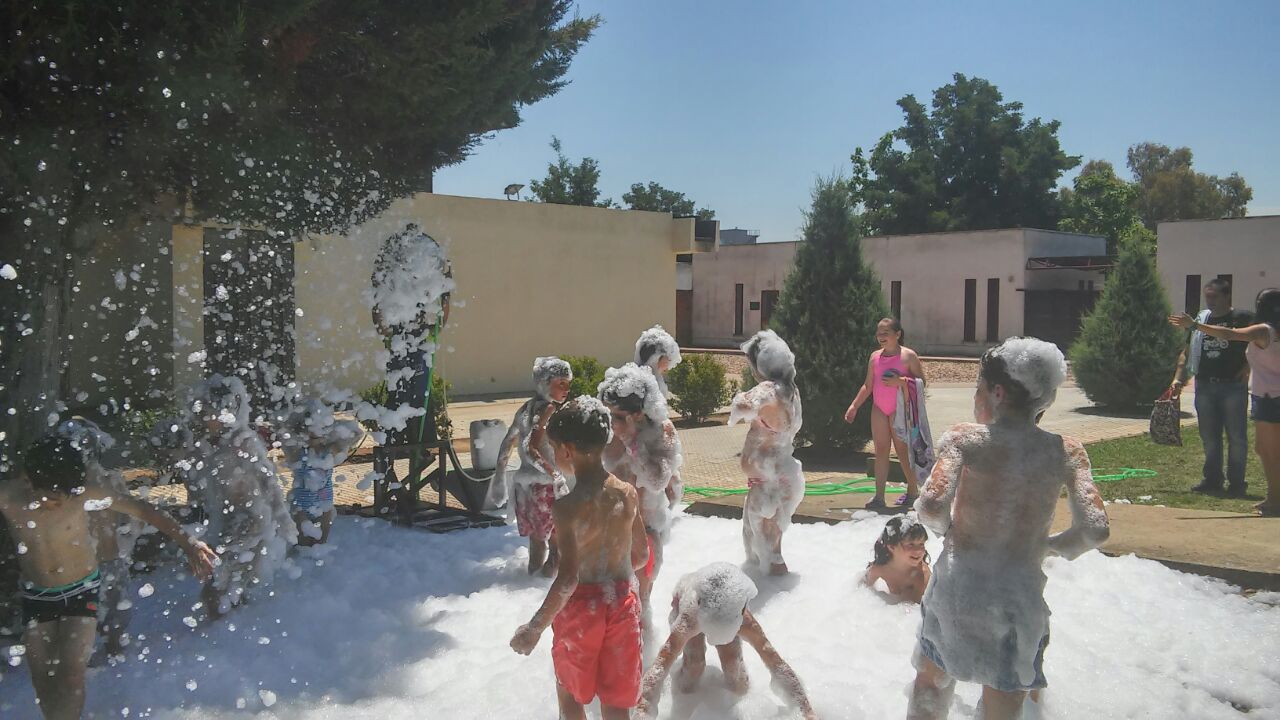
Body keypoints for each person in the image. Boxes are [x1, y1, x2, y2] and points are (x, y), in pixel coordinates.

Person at [908, 338, 1109, 720]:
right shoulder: (1066, 451)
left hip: (958, 593)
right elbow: (1095, 530)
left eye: (978, 388)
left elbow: (931, 505)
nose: (975, 398)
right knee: (1003, 706)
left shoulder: (965, 439)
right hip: (1017, 603)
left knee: (931, 687)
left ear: (997, 393)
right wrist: (1049, 546)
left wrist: (950, 531)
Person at [0, 432, 216, 720]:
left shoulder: (82, 494)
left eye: (66, 494)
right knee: (44, 679)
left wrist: (189, 543)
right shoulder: (8, 497)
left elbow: (144, 510)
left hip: (81, 590)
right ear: (28, 480)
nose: (60, 501)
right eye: (51, 497)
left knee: (72, 675)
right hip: (37, 596)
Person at [509, 397, 648, 720]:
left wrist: (534, 627)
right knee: (617, 699)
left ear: (567, 450)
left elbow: (569, 579)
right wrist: (615, 572)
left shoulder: (567, 508)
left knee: (571, 694)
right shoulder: (627, 493)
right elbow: (641, 555)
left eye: (554, 449)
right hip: (622, 605)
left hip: (582, 611)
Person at [635, 562, 817, 720]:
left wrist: (805, 709)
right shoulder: (689, 619)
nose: (717, 638)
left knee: (736, 676)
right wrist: (643, 710)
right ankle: (685, 693)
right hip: (693, 603)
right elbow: (661, 665)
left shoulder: (742, 618)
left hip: (724, 606)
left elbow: (775, 662)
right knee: (693, 670)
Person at [181, 375, 297, 618]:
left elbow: (269, 482)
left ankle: (224, 626)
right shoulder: (212, 444)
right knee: (229, 581)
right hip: (228, 521)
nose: (201, 417)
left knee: (219, 584)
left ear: (226, 410)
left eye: (207, 411)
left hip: (250, 521)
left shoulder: (244, 442)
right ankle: (235, 623)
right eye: (200, 410)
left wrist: (283, 517)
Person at [1171, 287, 1280, 516]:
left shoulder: (1264, 330)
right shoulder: (1272, 331)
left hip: (1270, 398)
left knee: (1269, 452)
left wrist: (1195, 325)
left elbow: (1230, 335)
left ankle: (1275, 501)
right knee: (1266, 449)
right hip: (1267, 396)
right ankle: (1273, 498)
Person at [370, 224, 454, 509]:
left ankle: (419, 466)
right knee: (398, 407)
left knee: (420, 405)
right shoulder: (397, 328)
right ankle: (393, 476)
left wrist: (444, 291)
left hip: (416, 362)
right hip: (399, 361)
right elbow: (379, 313)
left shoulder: (424, 327)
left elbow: (443, 310)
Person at [49, 418, 143, 666]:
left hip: (103, 564)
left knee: (111, 624)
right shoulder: (68, 488)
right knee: (91, 629)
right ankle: (102, 661)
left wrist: (127, 540)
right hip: (88, 567)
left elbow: (134, 518)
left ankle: (111, 663)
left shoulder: (109, 481)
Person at [598, 363, 683, 607]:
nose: (611, 422)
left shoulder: (662, 432)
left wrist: (631, 441)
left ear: (638, 414)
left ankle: (643, 632)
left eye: (618, 417)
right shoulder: (607, 432)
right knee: (609, 601)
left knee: (639, 601)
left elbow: (658, 480)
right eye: (608, 414)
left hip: (645, 530)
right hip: (609, 528)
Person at [485, 357, 573, 576]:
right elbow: (530, 448)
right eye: (561, 383)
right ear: (544, 383)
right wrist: (556, 476)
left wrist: (499, 479)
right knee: (557, 543)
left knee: (537, 540)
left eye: (568, 383)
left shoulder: (526, 408)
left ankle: (532, 580)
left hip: (524, 488)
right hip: (545, 488)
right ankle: (545, 587)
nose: (566, 389)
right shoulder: (549, 409)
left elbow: (508, 443)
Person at [1169, 278, 1254, 496]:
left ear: (1227, 296)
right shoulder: (1201, 319)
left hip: (1233, 386)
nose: (1210, 301)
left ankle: (1237, 484)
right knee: (1209, 436)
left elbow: (1262, 343)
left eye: (1214, 296)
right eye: (1207, 297)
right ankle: (1212, 480)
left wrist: (1248, 365)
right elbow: (1186, 351)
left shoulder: (1241, 317)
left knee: (1236, 437)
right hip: (1205, 386)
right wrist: (1178, 379)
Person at [729, 330, 805, 575]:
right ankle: (773, 589)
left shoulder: (769, 389)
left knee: (768, 553)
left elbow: (743, 405)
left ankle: (771, 590)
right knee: (766, 548)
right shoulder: (791, 391)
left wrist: (741, 398)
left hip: (768, 483)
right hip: (780, 476)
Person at [845, 318, 927, 510]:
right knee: (881, 450)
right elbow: (868, 385)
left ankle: (913, 491)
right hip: (879, 408)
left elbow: (921, 382)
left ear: (897, 334)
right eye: (878, 333)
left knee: (902, 451)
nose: (881, 337)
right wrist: (854, 406)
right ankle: (879, 497)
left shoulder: (909, 356)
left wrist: (902, 381)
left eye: (885, 333)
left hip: (900, 409)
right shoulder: (875, 357)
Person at [279, 397, 362, 545]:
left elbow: (357, 434)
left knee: (322, 544)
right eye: (311, 429)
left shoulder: (330, 451)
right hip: (301, 504)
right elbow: (283, 431)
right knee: (303, 543)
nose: (314, 433)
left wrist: (332, 428)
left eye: (319, 428)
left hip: (324, 502)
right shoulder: (298, 452)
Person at [861, 515, 931, 604]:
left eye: (921, 544)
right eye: (910, 544)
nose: (918, 551)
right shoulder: (880, 568)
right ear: (892, 547)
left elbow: (919, 608)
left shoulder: (921, 574)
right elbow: (861, 589)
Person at [634, 325, 682, 401]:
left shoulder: (651, 379)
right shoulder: (652, 383)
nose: (669, 365)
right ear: (657, 358)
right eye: (668, 359)